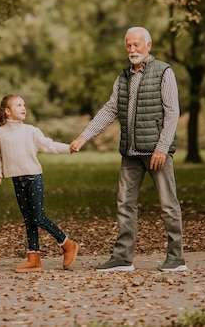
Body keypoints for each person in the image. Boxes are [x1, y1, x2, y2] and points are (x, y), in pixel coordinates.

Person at [71, 26, 187, 273]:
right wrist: (85, 136)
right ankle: (123, 258)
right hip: (130, 152)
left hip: (157, 152)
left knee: (168, 204)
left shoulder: (164, 71)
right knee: (124, 203)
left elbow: (172, 112)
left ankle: (176, 258)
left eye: (137, 44)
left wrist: (162, 148)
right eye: (128, 45)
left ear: (149, 45)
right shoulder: (123, 77)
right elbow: (110, 109)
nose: (132, 49)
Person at [0, 93, 79, 273]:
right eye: (18, 105)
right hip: (17, 180)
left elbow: (49, 145)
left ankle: (67, 244)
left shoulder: (31, 131)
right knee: (28, 220)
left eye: (24, 105)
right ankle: (34, 259)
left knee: (38, 217)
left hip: (33, 178)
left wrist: (68, 148)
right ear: (7, 112)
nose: (23, 108)